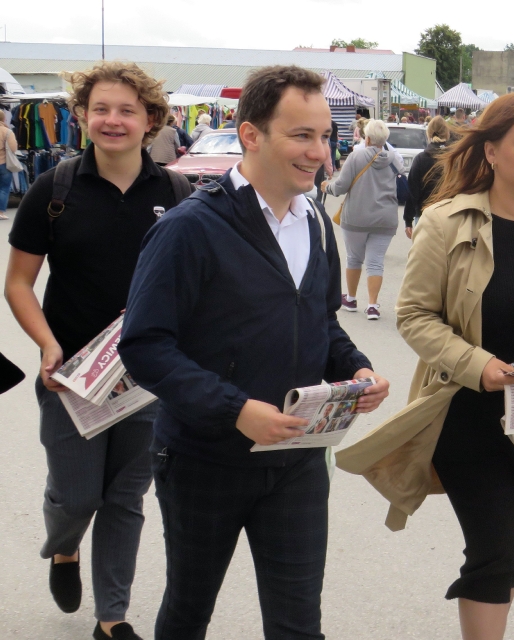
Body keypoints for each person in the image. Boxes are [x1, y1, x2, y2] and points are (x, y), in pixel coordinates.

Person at [118, 65, 390, 640]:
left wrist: (355, 368)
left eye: (325, 137)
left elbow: (319, 321)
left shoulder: (315, 221)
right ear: (251, 135)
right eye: (302, 135)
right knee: (188, 613)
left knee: (298, 626)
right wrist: (236, 409)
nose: (319, 152)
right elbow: (144, 346)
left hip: (297, 461)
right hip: (204, 461)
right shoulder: (190, 227)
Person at [335, 92, 514, 640]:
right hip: (466, 414)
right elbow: (414, 315)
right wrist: (478, 365)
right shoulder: (445, 221)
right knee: (495, 551)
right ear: (492, 152)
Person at [5, 61, 191, 640]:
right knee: (76, 496)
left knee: (126, 496)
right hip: (71, 378)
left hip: (146, 378)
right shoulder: (54, 189)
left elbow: (195, 283)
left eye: (127, 110)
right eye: (101, 109)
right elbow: (18, 284)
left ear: (151, 120)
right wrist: (47, 345)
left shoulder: (178, 194)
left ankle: (112, 617)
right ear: (82, 116)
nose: (113, 120)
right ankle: (64, 548)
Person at [322, 119, 399, 321]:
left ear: (368, 138)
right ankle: (372, 306)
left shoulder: (356, 157)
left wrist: (326, 187)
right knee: (376, 262)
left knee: (354, 258)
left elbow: (340, 186)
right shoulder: (394, 159)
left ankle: (351, 298)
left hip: (356, 217)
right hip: (386, 218)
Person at [403, 116, 449, 237]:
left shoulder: (421, 159)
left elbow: (413, 191)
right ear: (447, 134)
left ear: (428, 134)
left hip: (425, 215)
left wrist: (408, 220)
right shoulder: (455, 158)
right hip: (450, 216)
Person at [0, 118, 18, 220]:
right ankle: (0, 212)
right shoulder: (7, 131)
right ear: (3, 119)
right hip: (4, 163)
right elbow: (13, 148)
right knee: (4, 188)